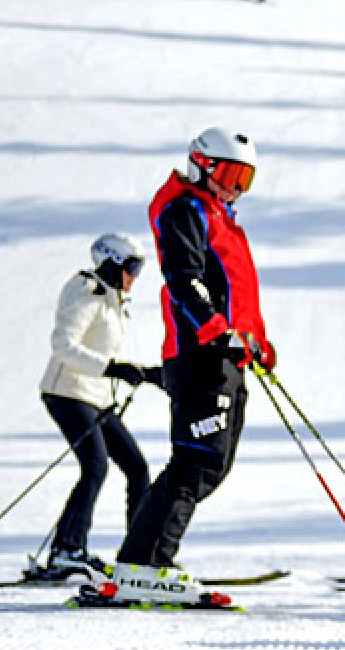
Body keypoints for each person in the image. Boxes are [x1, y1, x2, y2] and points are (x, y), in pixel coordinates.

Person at [94, 128, 271, 608]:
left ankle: (142, 560)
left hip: (225, 356)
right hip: (200, 355)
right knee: (196, 461)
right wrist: (215, 329)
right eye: (230, 175)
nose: (236, 188)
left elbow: (235, 290)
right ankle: (146, 563)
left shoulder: (218, 216)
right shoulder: (185, 210)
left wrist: (256, 342)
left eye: (245, 179)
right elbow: (183, 278)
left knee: (212, 463)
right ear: (202, 165)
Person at [32, 234, 160, 580]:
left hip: (97, 398)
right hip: (68, 392)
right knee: (95, 466)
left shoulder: (112, 299)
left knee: (136, 467)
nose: (135, 276)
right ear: (111, 263)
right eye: (131, 267)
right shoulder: (86, 290)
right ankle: (67, 550)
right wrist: (113, 369)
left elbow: (106, 351)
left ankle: (140, 553)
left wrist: (145, 373)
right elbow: (63, 345)